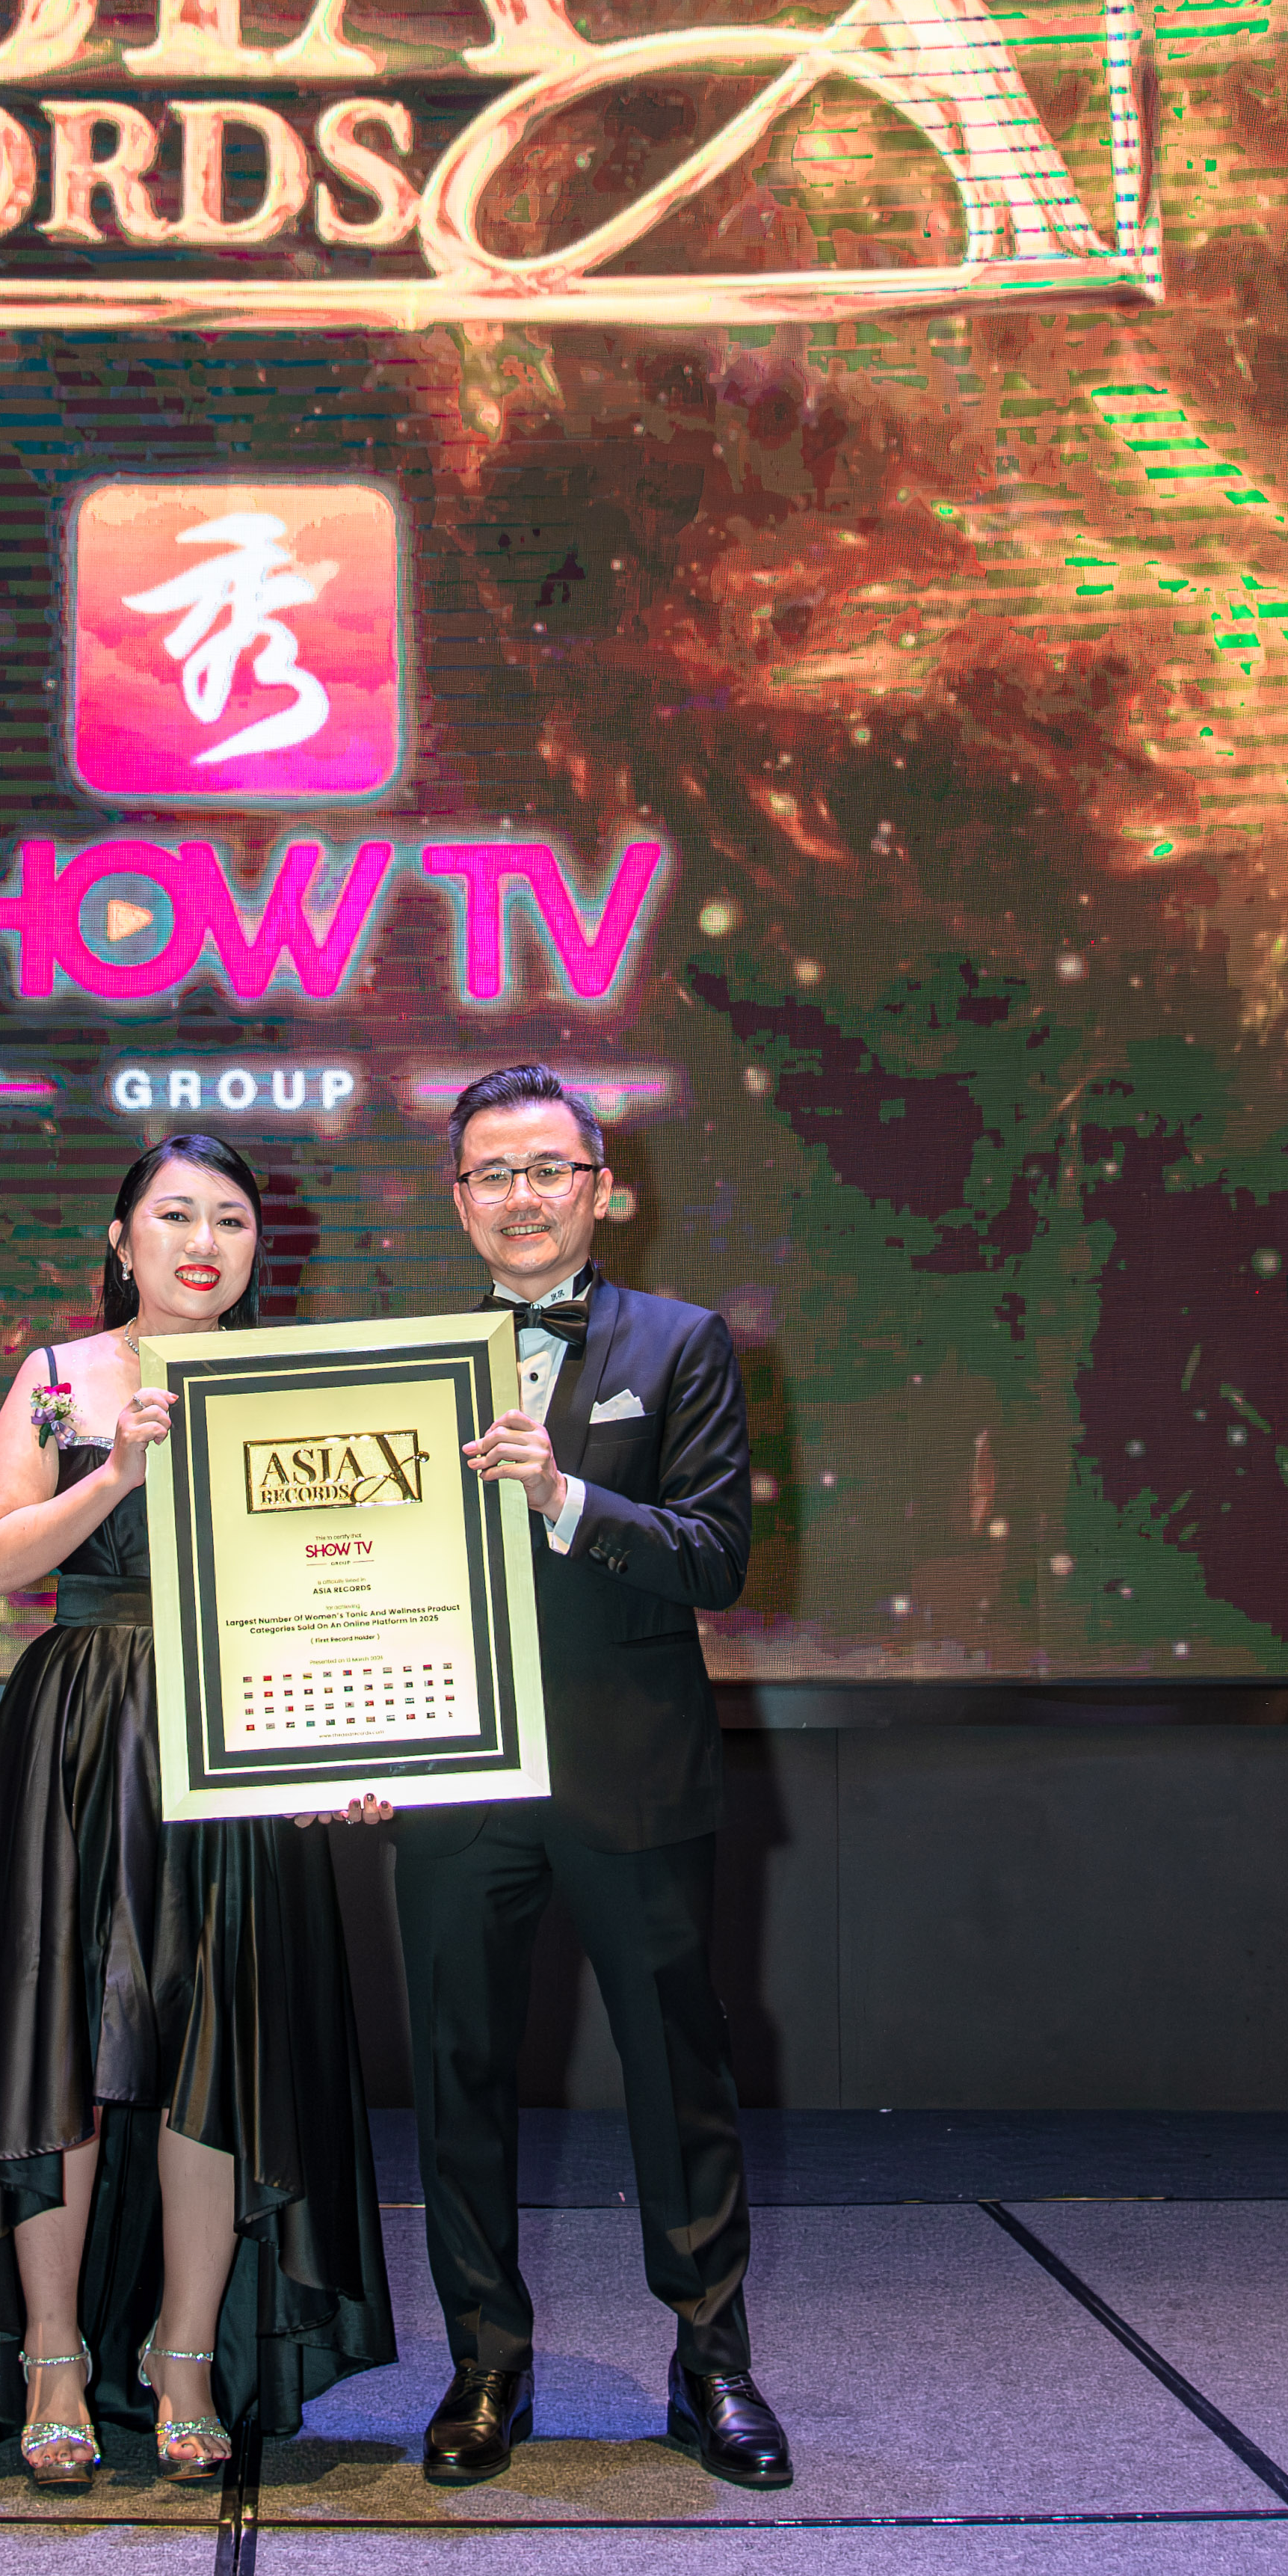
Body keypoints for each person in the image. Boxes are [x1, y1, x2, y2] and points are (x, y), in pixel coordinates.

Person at [0, 1130, 395, 2485]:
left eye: (229, 1217)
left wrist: (351, 1741)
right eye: (173, 1214)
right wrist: (110, 1472)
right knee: (63, 2046)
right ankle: (51, 2354)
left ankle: (186, 2354)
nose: (202, 1241)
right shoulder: (59, 1377)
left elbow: (342, 1581)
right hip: (86, 1731)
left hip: (240, 1731)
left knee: (220, 2052)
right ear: (121, 1241)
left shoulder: (293, 1386)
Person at [391, 1060, 792, 2492]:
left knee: (677, 2072)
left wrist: (564, 1494)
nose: (522, 1195)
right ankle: (483, 2364)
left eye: (548, 1168)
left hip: (631, 1768)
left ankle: (711, 2364)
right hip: (452, 1774)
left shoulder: (680, 1344)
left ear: (602, 1189)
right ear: (458, 1200)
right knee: (458, 2073)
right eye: (492, 1172)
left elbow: (717, 1558)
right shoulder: (397, 1365)